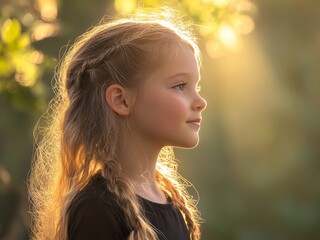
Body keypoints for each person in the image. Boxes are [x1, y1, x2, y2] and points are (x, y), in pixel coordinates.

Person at [28, 10, 207, 240]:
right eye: (180, 86)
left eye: (197, 87)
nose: (200, 102)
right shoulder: (97, 209)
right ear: (121, 100)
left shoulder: (171, 203)